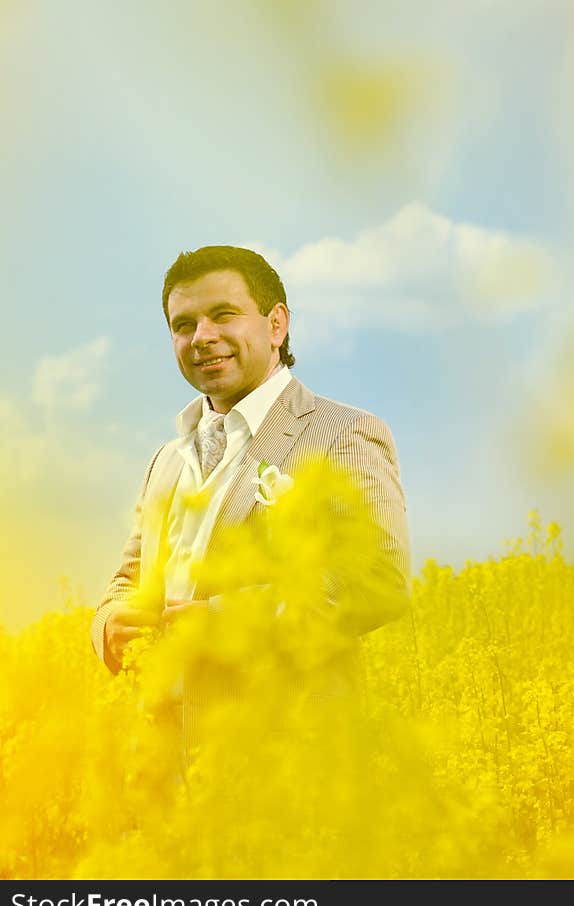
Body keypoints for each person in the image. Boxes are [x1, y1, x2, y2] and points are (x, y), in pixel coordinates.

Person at [90, 245, 411, 744]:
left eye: (223, 315)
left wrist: (224, 621)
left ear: (276, 324)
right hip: (166, 772)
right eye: (184, 324)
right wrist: (109, 626)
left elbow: (375, 580)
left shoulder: (342, 433)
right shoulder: (167, 460)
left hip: (284, 771)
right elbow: (128, 580)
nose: (203, 337)